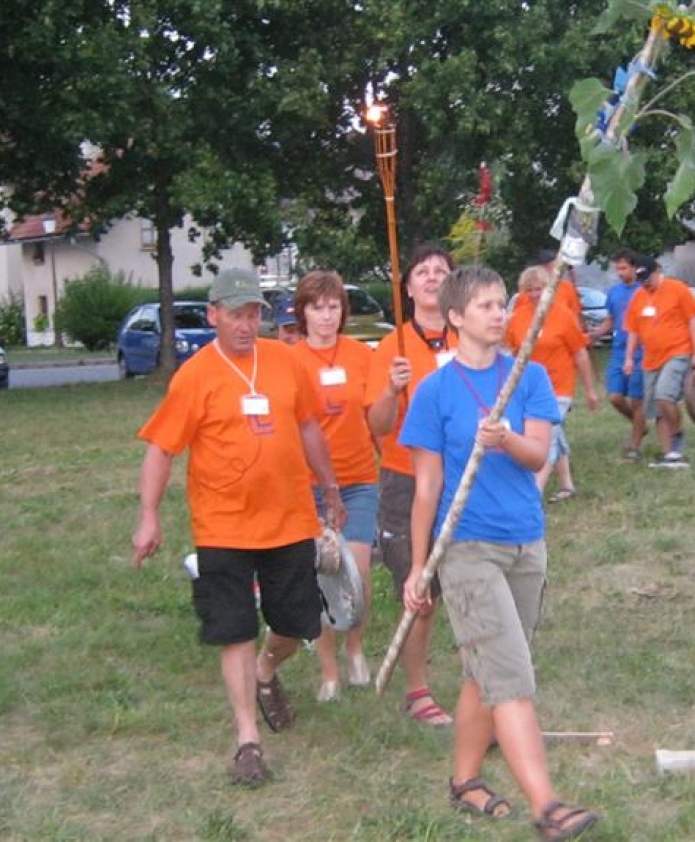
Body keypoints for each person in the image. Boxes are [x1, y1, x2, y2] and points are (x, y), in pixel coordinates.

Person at [400, 264, 599, 841]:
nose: (497, 314)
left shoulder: (527, 376)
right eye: (485, 306)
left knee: (484, 669)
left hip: (525, 544)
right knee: (509, 676)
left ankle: (464, 781)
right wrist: (419, 566)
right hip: (466, 550)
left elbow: (539, 455)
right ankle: (548, 808)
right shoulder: (433, 392)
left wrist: (503, 437)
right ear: (455, 317)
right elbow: (427, 489)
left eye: (500, 305)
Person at [130, 268, 345, 787]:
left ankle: (267, 671)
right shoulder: (196, 376)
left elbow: (310, 425)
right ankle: (247, 738)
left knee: (297, 626)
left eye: (254, 314)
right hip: (223, 526)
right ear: (213, 316)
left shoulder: (285, 361)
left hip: (290, 519)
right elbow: (161, 449)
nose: (247, 325)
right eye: (235, 315)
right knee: (234, 630)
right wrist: (149, 516)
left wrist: (331, 488)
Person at [365, 244, 457, 726]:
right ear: (407, 287)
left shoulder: (469, 337)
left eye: (441, 271)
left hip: (462, 478)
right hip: (405, 479)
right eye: (422, 271)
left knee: (462, 584)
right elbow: (377, 426)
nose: (431, 278)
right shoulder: (392, 346)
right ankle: (417, 690)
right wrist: (391, 390)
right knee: (418, 589)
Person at [284, 273, 380, 701]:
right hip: (306, 485)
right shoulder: (290, 360)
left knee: (356, 570)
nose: (326, 316)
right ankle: (328, 672)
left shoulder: (362, 355)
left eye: (333, 307)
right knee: (320, 575)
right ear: (302, 313)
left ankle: (355, 646)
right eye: (316, 307)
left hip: (358, 478)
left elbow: (377, 416)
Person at [506, 264, 601, 502]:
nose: (535, 295)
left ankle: (534, 491)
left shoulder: (563, 315)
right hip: (529, 389)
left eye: (539, 289)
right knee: (554, 434)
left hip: (559, 387)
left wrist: (590, 389)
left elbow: (580, 353)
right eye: (530, 290)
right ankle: (567, 485)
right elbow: (510, 352)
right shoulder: (517, 318)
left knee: (546, 435)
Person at [623, 256, 695, 468]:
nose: (644, 282)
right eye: (640, 279)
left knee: (664, 395)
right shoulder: (638, 297)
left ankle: (677, 434)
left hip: (678, 351)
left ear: (657, 271)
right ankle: (670, 454)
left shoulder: (678, 289)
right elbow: (632, 330)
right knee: (656, 408)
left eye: (647, 277)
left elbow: (693, 321)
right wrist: (629, 357)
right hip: (651, 359)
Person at [596, 250, 648, 460]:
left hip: (642, 352)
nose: (620, 272)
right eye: (617, 268)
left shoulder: (644, 290)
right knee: (615, 397)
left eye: (623, 267)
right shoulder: (614, 293)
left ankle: (634, 445)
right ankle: (639, 424)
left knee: (637, 401)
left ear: (635, 268)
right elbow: (610, 320)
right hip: (619, 350)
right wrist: (595, 333)